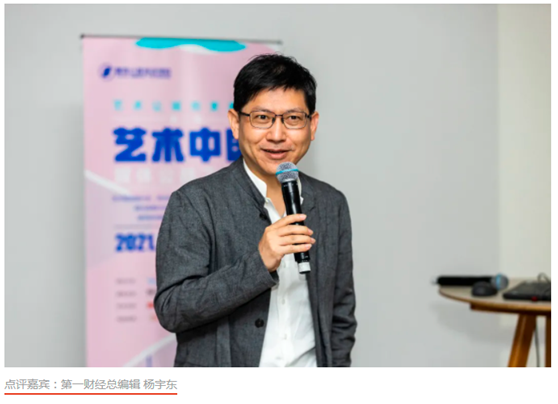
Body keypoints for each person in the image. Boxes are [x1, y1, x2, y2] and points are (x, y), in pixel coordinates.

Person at [154, 54, 357, 367]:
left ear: (312, 124)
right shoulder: (195, 201)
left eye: (293, 118)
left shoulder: (331, 203)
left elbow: (340, 313)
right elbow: (172, 308)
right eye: (262, 118)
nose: (277, 135)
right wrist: (258, 263)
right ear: (236, 123)